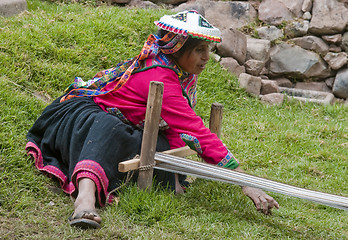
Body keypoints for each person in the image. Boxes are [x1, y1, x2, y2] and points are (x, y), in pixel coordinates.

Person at [26, 10, 279, 229]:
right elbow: (196, 130)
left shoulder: (179, 72)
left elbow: (176, 128)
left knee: (156, 142)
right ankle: (85, 198)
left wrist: (176, 179)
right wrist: (246, 183)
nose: (205, 57)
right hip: (82, 117)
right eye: (199, 50)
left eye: (208, 50)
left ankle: (146, 181)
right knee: (109, 126)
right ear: (179, 48)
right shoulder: (160, 76)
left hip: (129, 125)